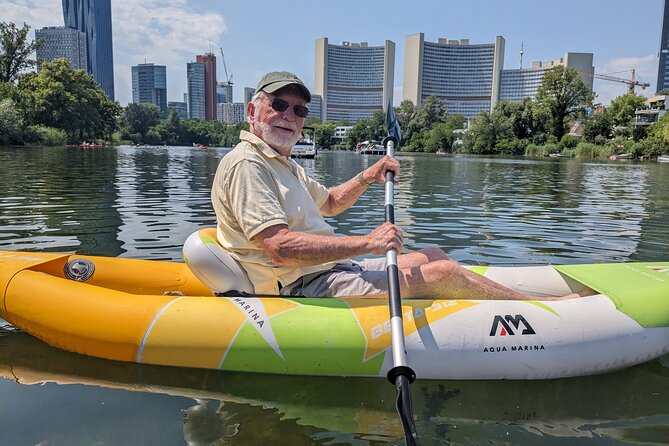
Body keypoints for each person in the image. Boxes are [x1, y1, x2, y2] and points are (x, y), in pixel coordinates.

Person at [211, 71, 576, 300]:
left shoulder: (282, 163)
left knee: (433, 254)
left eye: (300, 110)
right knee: (444, 272)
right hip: (299, 284)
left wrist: (370, 175)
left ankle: (498, 296)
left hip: (328, 270)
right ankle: (543, 312)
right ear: (252, 111)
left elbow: (333, 202)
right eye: (279, 105)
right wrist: (368, 243)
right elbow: (280, 249)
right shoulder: (249, 164)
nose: (290, 116)